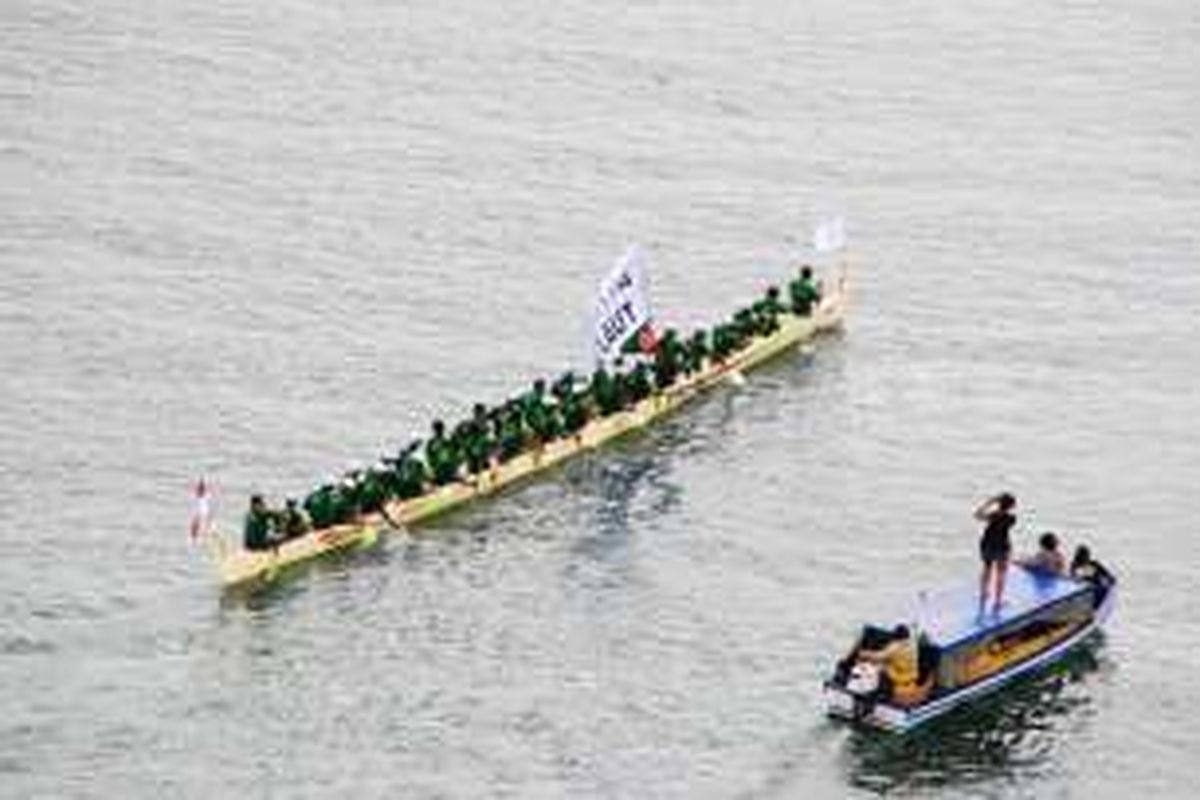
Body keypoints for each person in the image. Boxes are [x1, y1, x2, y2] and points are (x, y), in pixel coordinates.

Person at [855, 624, 919, 704]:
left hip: (897, 680)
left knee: (878, 669)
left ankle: (874, 694)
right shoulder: (911, 647)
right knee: (883, 666)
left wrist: (864, 653)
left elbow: (879, 656)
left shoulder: (897, 646)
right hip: (909, 678)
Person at [975, 492, 1017, 613]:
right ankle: (998, 601)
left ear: (999, 503)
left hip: (987, 544)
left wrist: (989, 502)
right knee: (1001, 573)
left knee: (987, 569)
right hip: (1002, 546)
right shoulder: (1012, 519)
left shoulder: (992, 515)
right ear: (1011, 506)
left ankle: (984, 593)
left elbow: (977, 515)